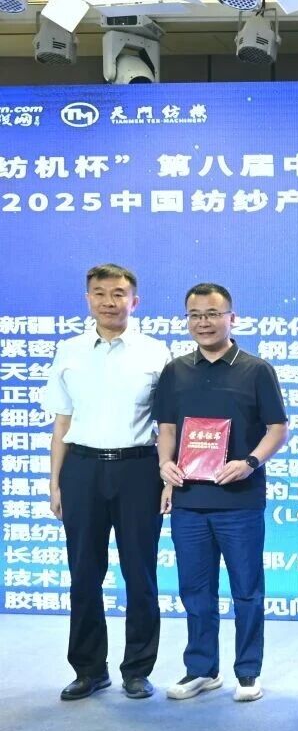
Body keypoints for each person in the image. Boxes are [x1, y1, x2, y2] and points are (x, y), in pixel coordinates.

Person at [43, 263, 172, 701]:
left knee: (140, 574)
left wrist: (167, 474)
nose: (109, 302)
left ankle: (137, 669)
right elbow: (62, 421)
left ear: (135, 301)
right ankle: (88, 669)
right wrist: (55, 481)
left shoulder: (155, 353)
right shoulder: (70, 351)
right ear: (88, 299)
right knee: (83, 573)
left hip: (138, 470)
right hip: (81, 469)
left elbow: (168, 424)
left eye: (118, 294)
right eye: (99, 293)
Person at [156, 283, 288, 703]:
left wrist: (250, 462)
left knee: (247, 590)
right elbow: (167, 429)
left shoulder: (256, 369)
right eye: (195, 315)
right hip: (189, 501)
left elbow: (278, 429)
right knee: (195, 590)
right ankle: (201, 669)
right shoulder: (175, 371)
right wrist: (164, 466)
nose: (204, 322)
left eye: (213, 314)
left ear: (232, 317)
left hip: (239, 501)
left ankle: (247, 672)